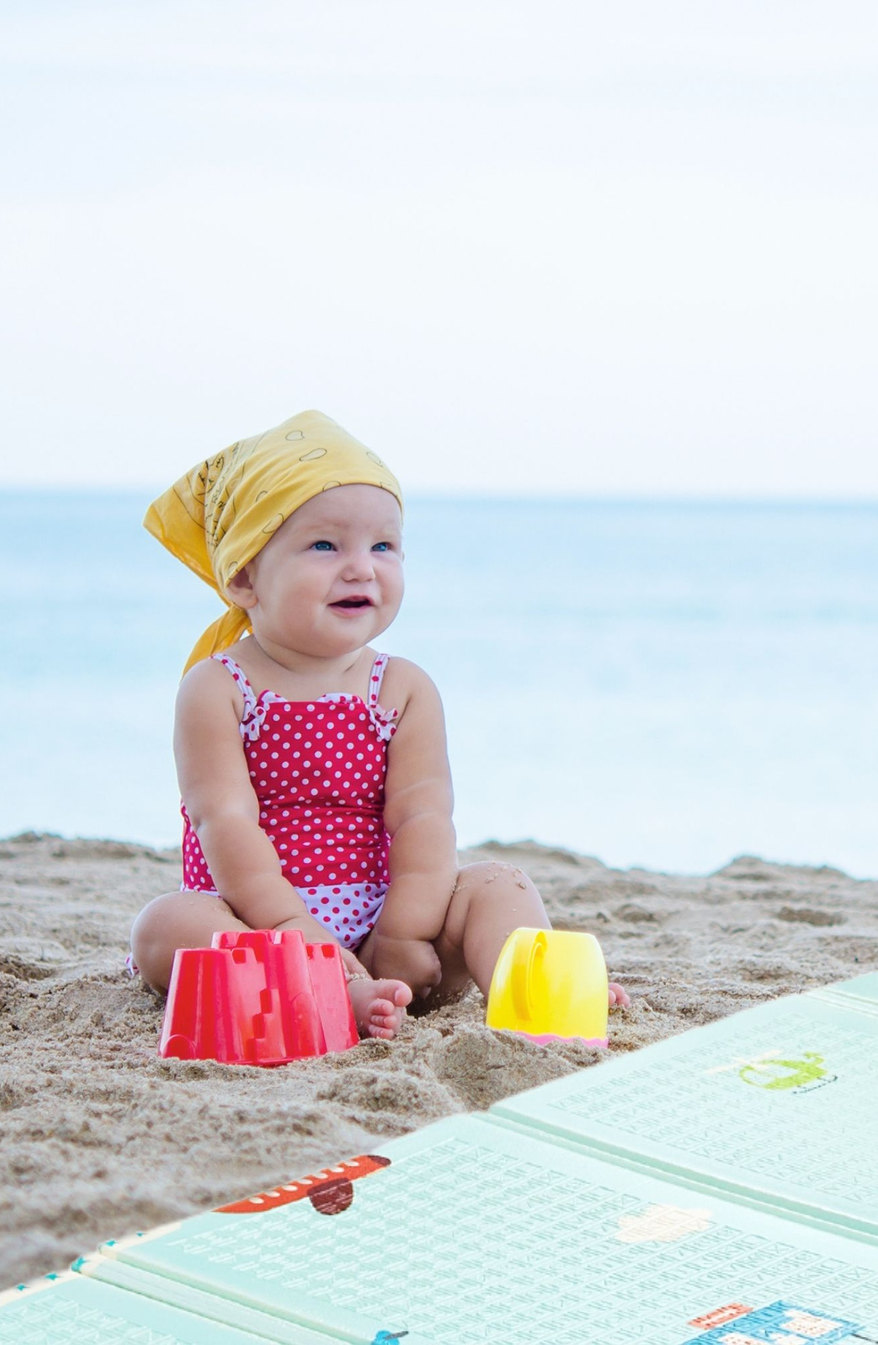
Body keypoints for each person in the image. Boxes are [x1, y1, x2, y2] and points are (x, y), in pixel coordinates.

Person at [129, 409, 628, 1041]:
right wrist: (295, 932)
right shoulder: (217, 686)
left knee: (498, 884)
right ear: (245, 577)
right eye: (324, 545)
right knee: (165, 926)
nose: (362, 567)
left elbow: (421, 819)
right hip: (260, 925)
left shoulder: (402, 687)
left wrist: (403, 932)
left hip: (392, 927)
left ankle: (540, 986)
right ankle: (328, 998)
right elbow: (224, 820)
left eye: (383, 545)